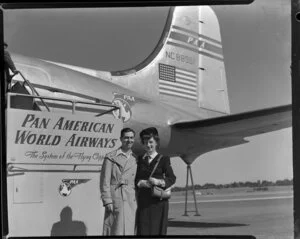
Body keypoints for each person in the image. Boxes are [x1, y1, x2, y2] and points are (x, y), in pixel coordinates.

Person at [135, 127, 176, 235]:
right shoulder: (139, 160)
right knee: (143, 230)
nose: (148, 145)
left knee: (157, 230)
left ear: (156, 142)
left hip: (159, 201)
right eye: (145, 143)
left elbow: (172, 178)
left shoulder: (164, 159)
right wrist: (141, 183)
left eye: (150, 142)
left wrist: (158, 182)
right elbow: (135, 179)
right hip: (143, 202)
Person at [100, 127, 137, 235]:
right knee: (115, 229)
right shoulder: (111, 157)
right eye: (126, 138)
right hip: (116, 198)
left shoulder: (136, 158)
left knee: (130, 229)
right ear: (121, 139)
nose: (129, 140)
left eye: (131, 138)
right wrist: (107, 200)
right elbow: (104, 181)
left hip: (131, 199)